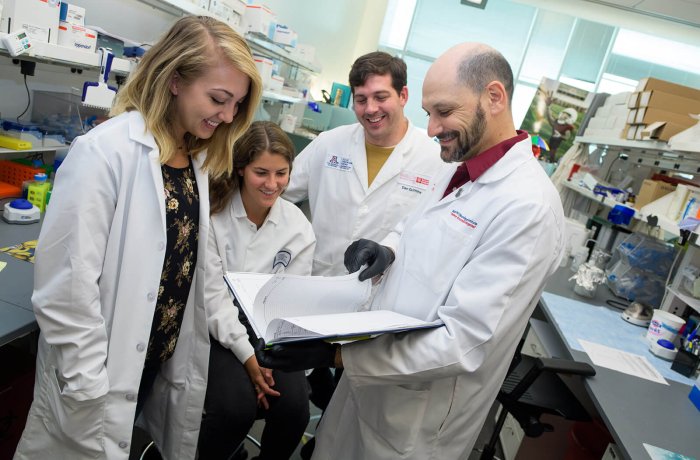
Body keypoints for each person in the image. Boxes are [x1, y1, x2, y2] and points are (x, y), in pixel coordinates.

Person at [257, 42, 565, 460]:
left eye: (443, 111)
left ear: (494, 97)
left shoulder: (528, 207)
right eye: (429, 114)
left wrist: (338, 354)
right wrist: (387, 248)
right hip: (372, 381)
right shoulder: (462, 169)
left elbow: (464, 343)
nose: (433, 128)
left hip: (415, 419)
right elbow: (417, 223)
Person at [13, 16, 262, 460]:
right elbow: (66, 293)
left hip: (150, 364)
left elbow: (199, 275)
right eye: (219, 99)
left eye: (236, 105)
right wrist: (90, 389)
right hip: (98, 375)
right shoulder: (104, 154)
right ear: (174, 81)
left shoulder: (194, 161)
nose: (227, 116)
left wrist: (244, 348)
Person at [198, 121, 315, 459]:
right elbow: (214, 299)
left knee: (294, 410)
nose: (272, 184)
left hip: (270, 331)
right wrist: (249, 359)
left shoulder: (296, 227)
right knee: (236, 408)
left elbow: (289, 302)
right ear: (240, 169)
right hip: (215, 328)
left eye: (281, 173)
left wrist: (266, 355)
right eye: (261, 172)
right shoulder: (214, 215)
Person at [283, 51, 445, 277]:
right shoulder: (328, 144)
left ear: (403, 96)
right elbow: (278, 194)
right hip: (317, 282)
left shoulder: (435, 161)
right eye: (361, 100)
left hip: (380, 297)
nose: (370, 109)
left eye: (380, 97)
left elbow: (434, 238)